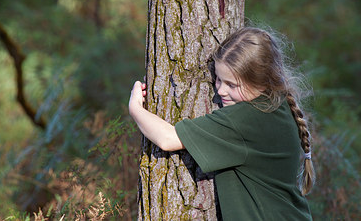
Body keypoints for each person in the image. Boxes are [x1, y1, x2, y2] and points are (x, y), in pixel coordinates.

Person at [129, 26, 315, 220]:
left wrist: (135, 109)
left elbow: (167, 138)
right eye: (218, 79)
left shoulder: (247, 118)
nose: (221, 91)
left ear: (261, 83)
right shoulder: (277, 104)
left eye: (232, 85)